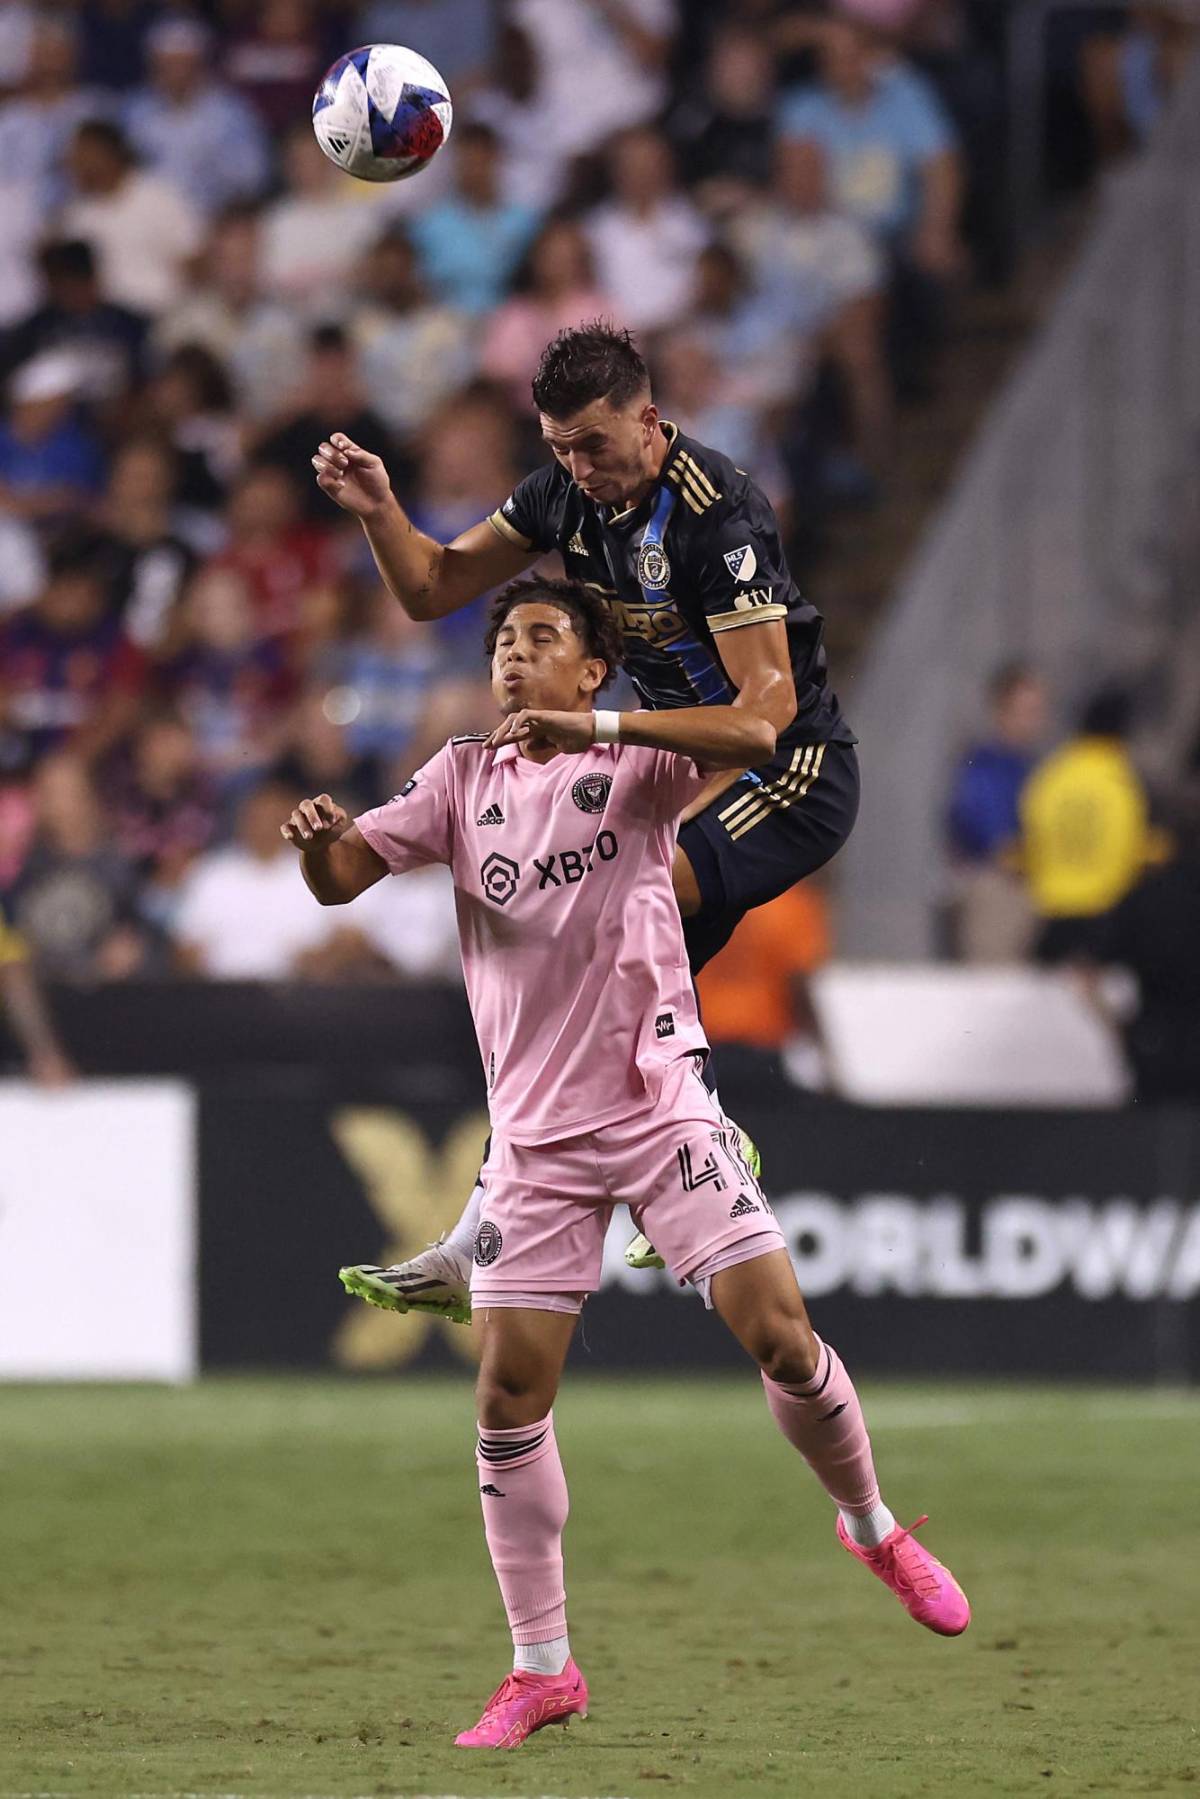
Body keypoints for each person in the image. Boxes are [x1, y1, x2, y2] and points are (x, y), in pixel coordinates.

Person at [287, 575, 969, 1747]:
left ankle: (873, 1527)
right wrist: (318, 848)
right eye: (504, 638)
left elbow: (757, 727)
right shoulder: (462, 778)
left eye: (543, 637)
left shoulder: (640, 763)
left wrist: (602, 726)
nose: (515, 655)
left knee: (781, 1335)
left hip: (661, 1106)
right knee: (507, 1396)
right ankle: (542, 1666)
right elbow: (346, 875)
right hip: (538, 1143)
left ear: (593, 668)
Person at [312, 320, 859, 1310]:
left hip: (793, 776)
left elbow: (765, 719)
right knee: (593, 953)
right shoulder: (564, 492)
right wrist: (380, 509)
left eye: (595, 445)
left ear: (650, 422)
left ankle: (654, 1153)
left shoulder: (717, 514)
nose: (579, 468)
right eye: (559, 447)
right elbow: (433, 585)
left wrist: (595, 723)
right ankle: (550, 1196)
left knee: (616, 901)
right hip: (686, 773)